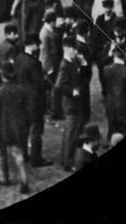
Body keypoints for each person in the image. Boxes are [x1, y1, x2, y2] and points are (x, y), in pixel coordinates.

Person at [0, 60, 30, 195]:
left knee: (1, 153)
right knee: (18, 155)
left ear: (2, 76)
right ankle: (24, 180)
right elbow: (27, 111)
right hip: (18, 128)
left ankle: (3, 178)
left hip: (3, 128)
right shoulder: (21, 90)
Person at [15, 33, 48, 166]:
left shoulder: (19, 58)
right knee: (36, 131)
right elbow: (39, 84)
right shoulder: (34, 63)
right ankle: (36, 158)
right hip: (34, 101)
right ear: (33, 45)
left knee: (24, 129)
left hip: (22, 99)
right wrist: (46, 79)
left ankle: (24, 154)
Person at [55, 35, 83, 171]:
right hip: (70, 103)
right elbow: (58, 86)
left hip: (73, 102)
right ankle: (68, 162)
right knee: (71, 133)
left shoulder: (72, 61)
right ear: (66, 48)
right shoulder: (64, 65)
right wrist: (72, 92)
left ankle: (64, 158)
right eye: (73, 49)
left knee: (69, 131)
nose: (75, 51)